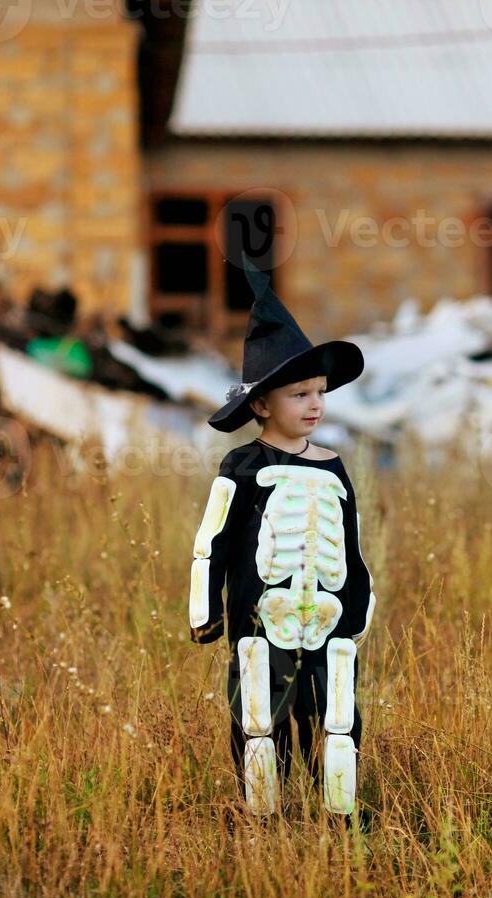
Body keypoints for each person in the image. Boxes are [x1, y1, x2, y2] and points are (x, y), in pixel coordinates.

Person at [187, 259, 376, 824]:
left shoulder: (335, 466)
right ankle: (262, 815)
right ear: (262, 404)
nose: (315, 405)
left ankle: (339, 814)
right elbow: (211, 540)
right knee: (259, 715)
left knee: (337, 713)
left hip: (328, 616)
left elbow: (352, 539)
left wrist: (360, 608)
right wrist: (205, 610)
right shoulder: (241, 465)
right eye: (300, 395)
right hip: (260, 619)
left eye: (320, 393)